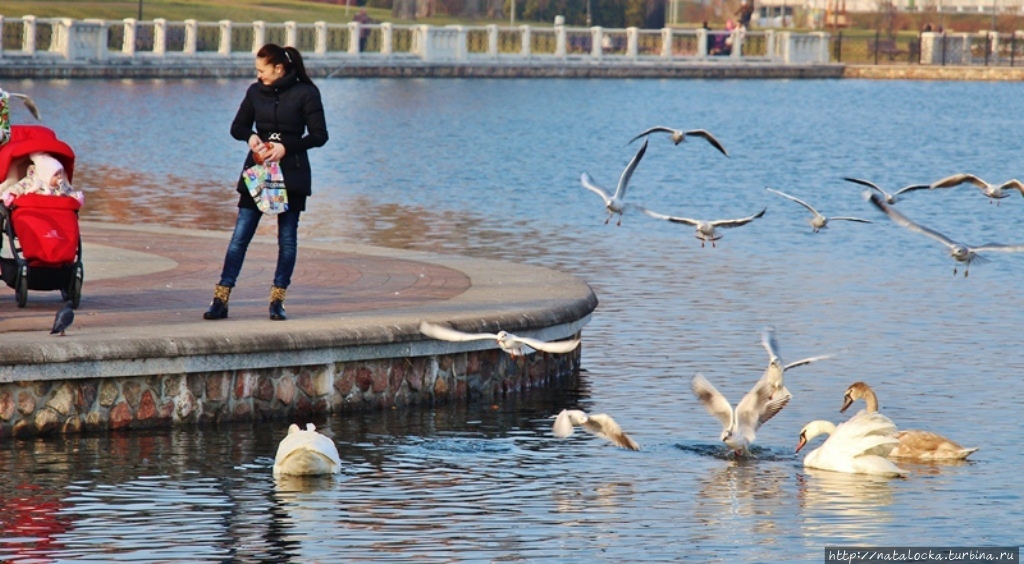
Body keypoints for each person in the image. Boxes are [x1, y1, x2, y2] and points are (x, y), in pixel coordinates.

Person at [204, 43, 329, 321]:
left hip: (291, 174)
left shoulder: (306, 93)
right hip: (259, 172)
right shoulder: (254, 92)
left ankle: (277, 301)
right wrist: (250, 137)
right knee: (240, 236)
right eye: (257, 70)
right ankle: (221, 298)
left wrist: (287, 147)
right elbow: (237, 127)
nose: (258, 75)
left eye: (262, 70)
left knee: (287, 240)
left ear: (279, 68)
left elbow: (320, 135)